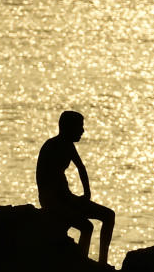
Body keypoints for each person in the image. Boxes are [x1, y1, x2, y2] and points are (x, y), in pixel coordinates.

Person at [36, 111, 115, 264]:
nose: (82, 131)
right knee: (87, 226)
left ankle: (103, 261)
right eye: (79, 127)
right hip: (53, 201)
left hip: (66, 198)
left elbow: (81, 168)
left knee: (108, 215)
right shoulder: (51, 146)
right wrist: (62, 203)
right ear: (68, 128)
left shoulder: (68, 146)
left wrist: (87, 193)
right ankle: (81, 263)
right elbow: (44, 181)